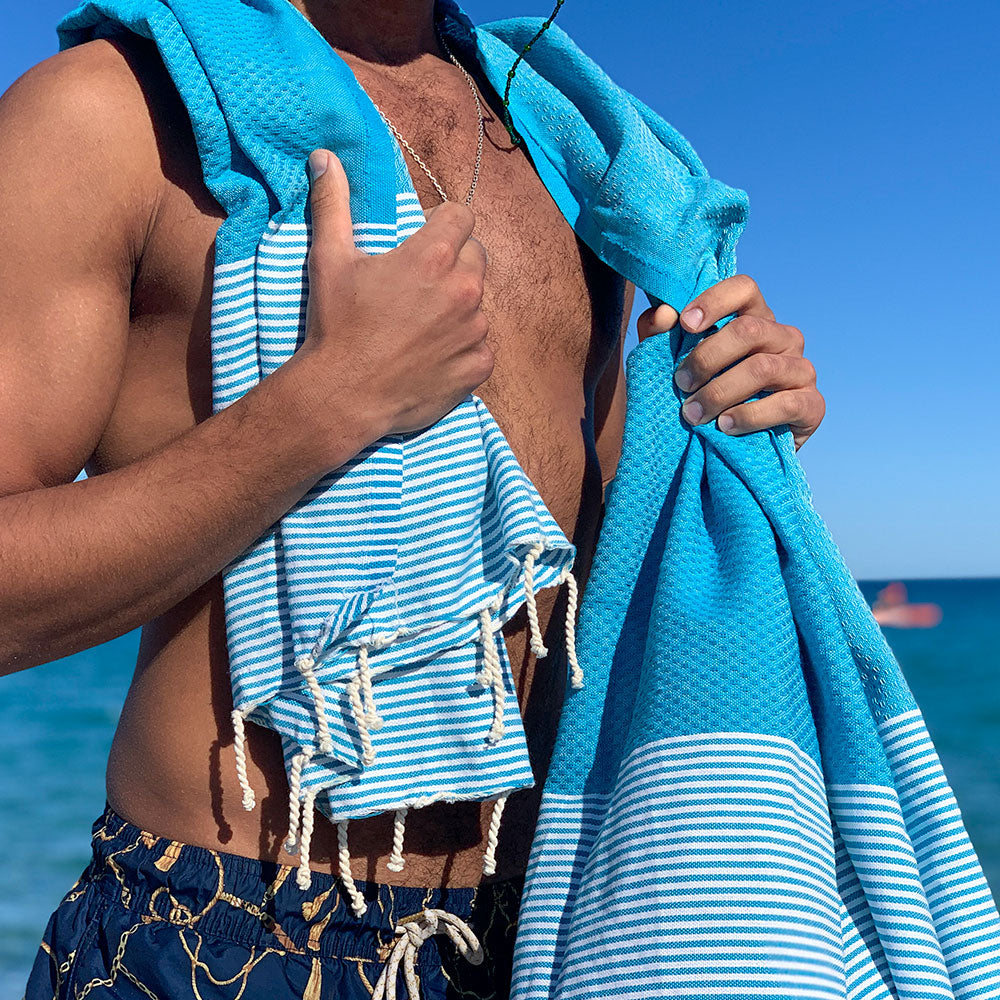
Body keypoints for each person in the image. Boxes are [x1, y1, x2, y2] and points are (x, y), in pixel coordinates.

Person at [2, 1, 825, 996]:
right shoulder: (110, 111)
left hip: (542, 926)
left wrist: (725, 426)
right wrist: (322, 406)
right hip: (222, 919)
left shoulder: (579, 157)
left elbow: (592, 568)